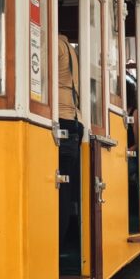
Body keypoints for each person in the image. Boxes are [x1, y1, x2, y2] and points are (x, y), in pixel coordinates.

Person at [58, 34, 82, 253]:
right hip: (73, 119)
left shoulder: (55, 45)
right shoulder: (69, 47)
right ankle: (63, 242)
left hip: (61, 119)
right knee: (65, 187)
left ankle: (58, 244)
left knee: (59, 187)